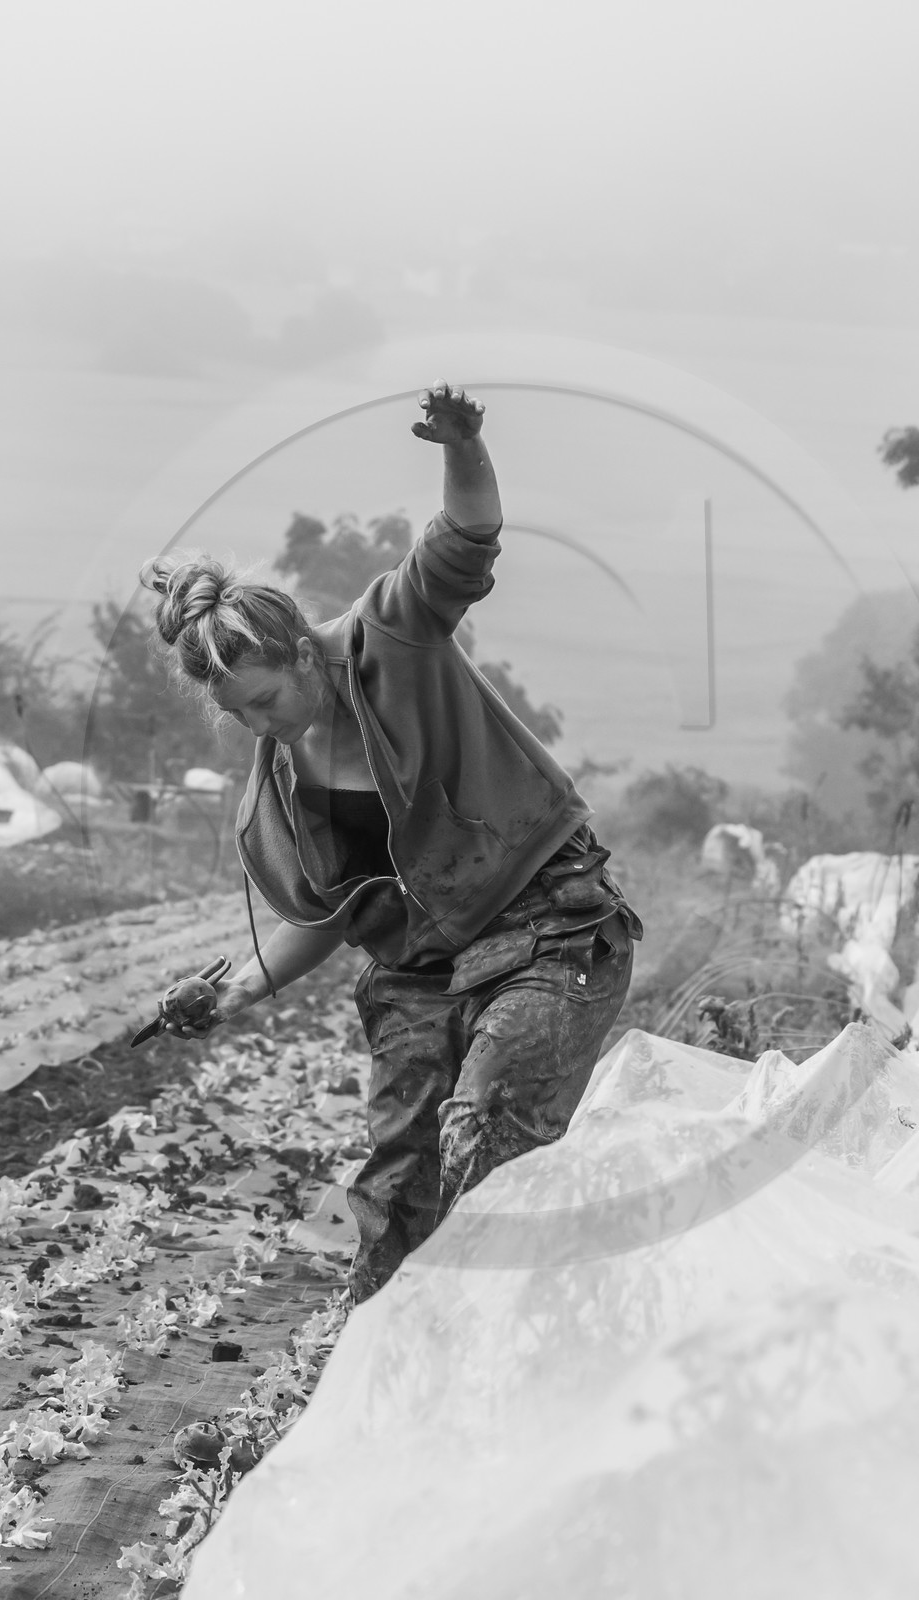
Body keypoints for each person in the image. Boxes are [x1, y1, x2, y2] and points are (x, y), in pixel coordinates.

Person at [143, 382, 642, 1301]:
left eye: (266, 700)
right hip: (419, 968)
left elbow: (465, 539)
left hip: (545, 926)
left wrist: (463, 445)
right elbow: (333, 913)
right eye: (239, 715)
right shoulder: (281, 787)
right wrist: (235, 990)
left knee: (484, 1126)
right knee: (397, 1181)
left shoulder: (391, 638)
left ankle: (519, 1330)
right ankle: (376, 1349)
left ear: (304, 651)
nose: (262, 726)